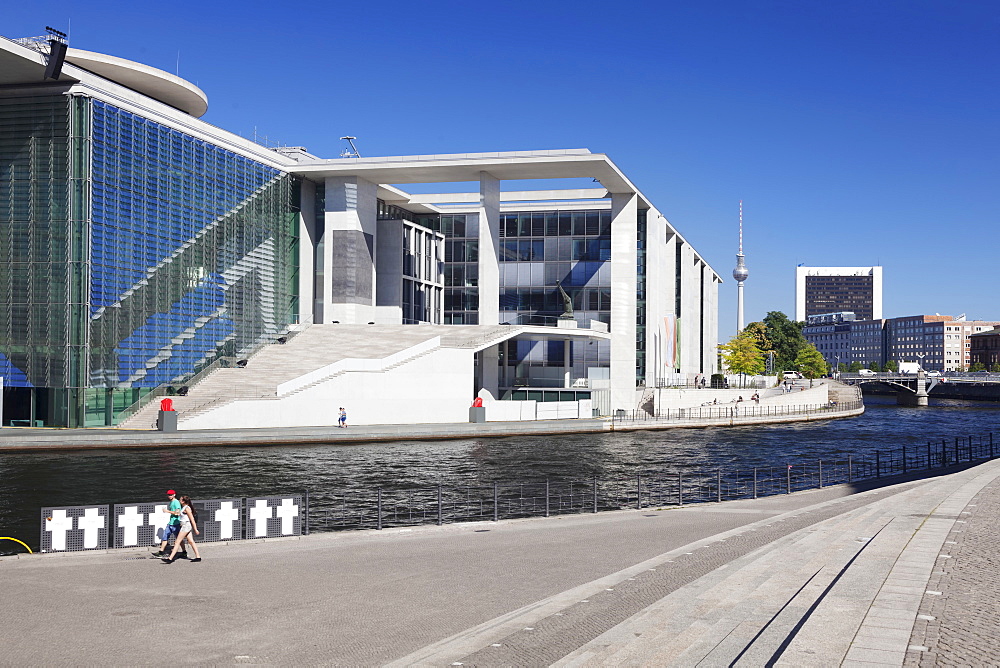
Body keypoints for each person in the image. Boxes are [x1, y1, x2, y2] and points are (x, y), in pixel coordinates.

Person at [162, 496, 202, 563]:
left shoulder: (187, 508)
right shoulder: (183, 508)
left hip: (185, 526)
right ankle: (198, 557)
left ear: (183, 501)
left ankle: (170, 558)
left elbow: (192, 519)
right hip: (184, 525)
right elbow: (177, 513)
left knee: (177, 541)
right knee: (191, 541)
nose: (179, 500)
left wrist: (195, 529)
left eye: (180, 500)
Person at [153, 490, 184, 558]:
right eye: (168, 495)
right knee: (165, 537)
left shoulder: (176, 502)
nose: (169, 496)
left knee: (179, 539)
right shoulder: (172, 502)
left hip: (176, 523)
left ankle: (184, 551)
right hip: (171, 523)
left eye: (171, 495)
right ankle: (161, 552)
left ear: (174, 495)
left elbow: (177, 513)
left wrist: (167, 511)